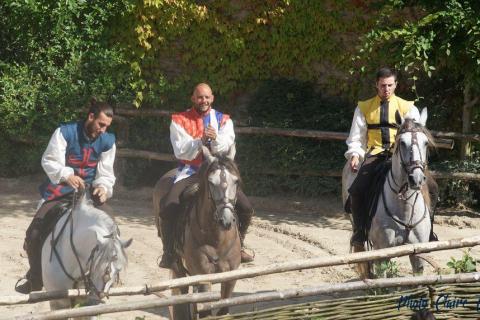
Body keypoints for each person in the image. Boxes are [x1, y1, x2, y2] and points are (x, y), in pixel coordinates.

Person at [15, 98, 116, 294]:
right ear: (91, 116)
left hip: (89, 196)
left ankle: (108, 275)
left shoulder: (108, 141)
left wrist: (103, 187)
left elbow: (106, 173)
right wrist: (66, 175)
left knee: (112, 228)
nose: (103, 130)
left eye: (107, 126)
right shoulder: (65, 132)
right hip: (60, 192)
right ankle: (35, 278)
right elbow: (50, 160)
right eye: (101, 124)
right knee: (34, 234)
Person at [158, 83, 254, 268]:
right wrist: (199, 141)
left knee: (246, 207)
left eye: (207, 97)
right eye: (200, 97)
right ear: (193, 98)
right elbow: (180, 151)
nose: (204, 101)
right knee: (168, 205)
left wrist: (215, 139)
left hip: (218, 171)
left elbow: (227, 147)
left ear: (212, 98)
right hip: (192, 171)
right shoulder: (179, 120)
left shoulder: (224, 120)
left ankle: (240, 244)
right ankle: (169, 251)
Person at [345, 67, 439, 249]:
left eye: (389, 85)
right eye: (382, 85)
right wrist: (355, 153)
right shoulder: (364, 108)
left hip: (404, 157)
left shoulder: (408, 108)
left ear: (396, 85)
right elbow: (356, 136)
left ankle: (429, 231)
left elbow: (416, 134)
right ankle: (360, 233)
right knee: (357, 190)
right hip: (376, 154)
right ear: (376, 85)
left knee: (433, 188)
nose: (386, 89)